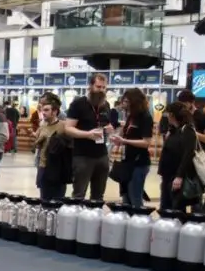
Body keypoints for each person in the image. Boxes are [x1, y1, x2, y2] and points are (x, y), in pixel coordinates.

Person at [65, 73, 112, 201]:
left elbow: (106, 124)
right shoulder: (78, 104)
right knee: (79, 195)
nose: (101, 90)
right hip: (83, 156)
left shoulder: (106, 105)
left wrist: (109, 129)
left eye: (104, 87)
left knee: (98, 195)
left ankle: (95, 214)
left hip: (102, 155)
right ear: (90, 86)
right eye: (98, 87)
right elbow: (68, 128)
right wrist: (87, 134)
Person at [110, 88, 153, 208]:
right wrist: (118, 139)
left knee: (135, 197)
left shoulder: (145, 117)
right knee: (125, 197)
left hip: (139, 163)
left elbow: (146, 142)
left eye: (127, 101)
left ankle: (138, 218)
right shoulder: (131, 116)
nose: (124, 104)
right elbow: (126, 134)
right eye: (124, 101)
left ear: (135, 102)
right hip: (127, 162)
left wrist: (124, 141)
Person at [157, 101, 200, 212]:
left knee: (176, 208)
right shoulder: (173, 130)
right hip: (167, 175)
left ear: (172, 114)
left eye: (167, 114)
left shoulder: (187, 130)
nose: (166, 116)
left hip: (177, 175)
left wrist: (179, 176)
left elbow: (188, 154)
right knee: (165, 207)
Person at [33, 95, 73, 201]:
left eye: (46, 110)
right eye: (42, 110)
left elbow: (71, 144)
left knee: (58, 198)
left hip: (58, 167)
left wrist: (58, 141)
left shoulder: (63, 125)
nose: (43, 113)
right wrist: (38, 141)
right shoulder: (42, 126)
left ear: (55, 111)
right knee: (44, 198)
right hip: (43, 165)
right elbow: (37, 145)